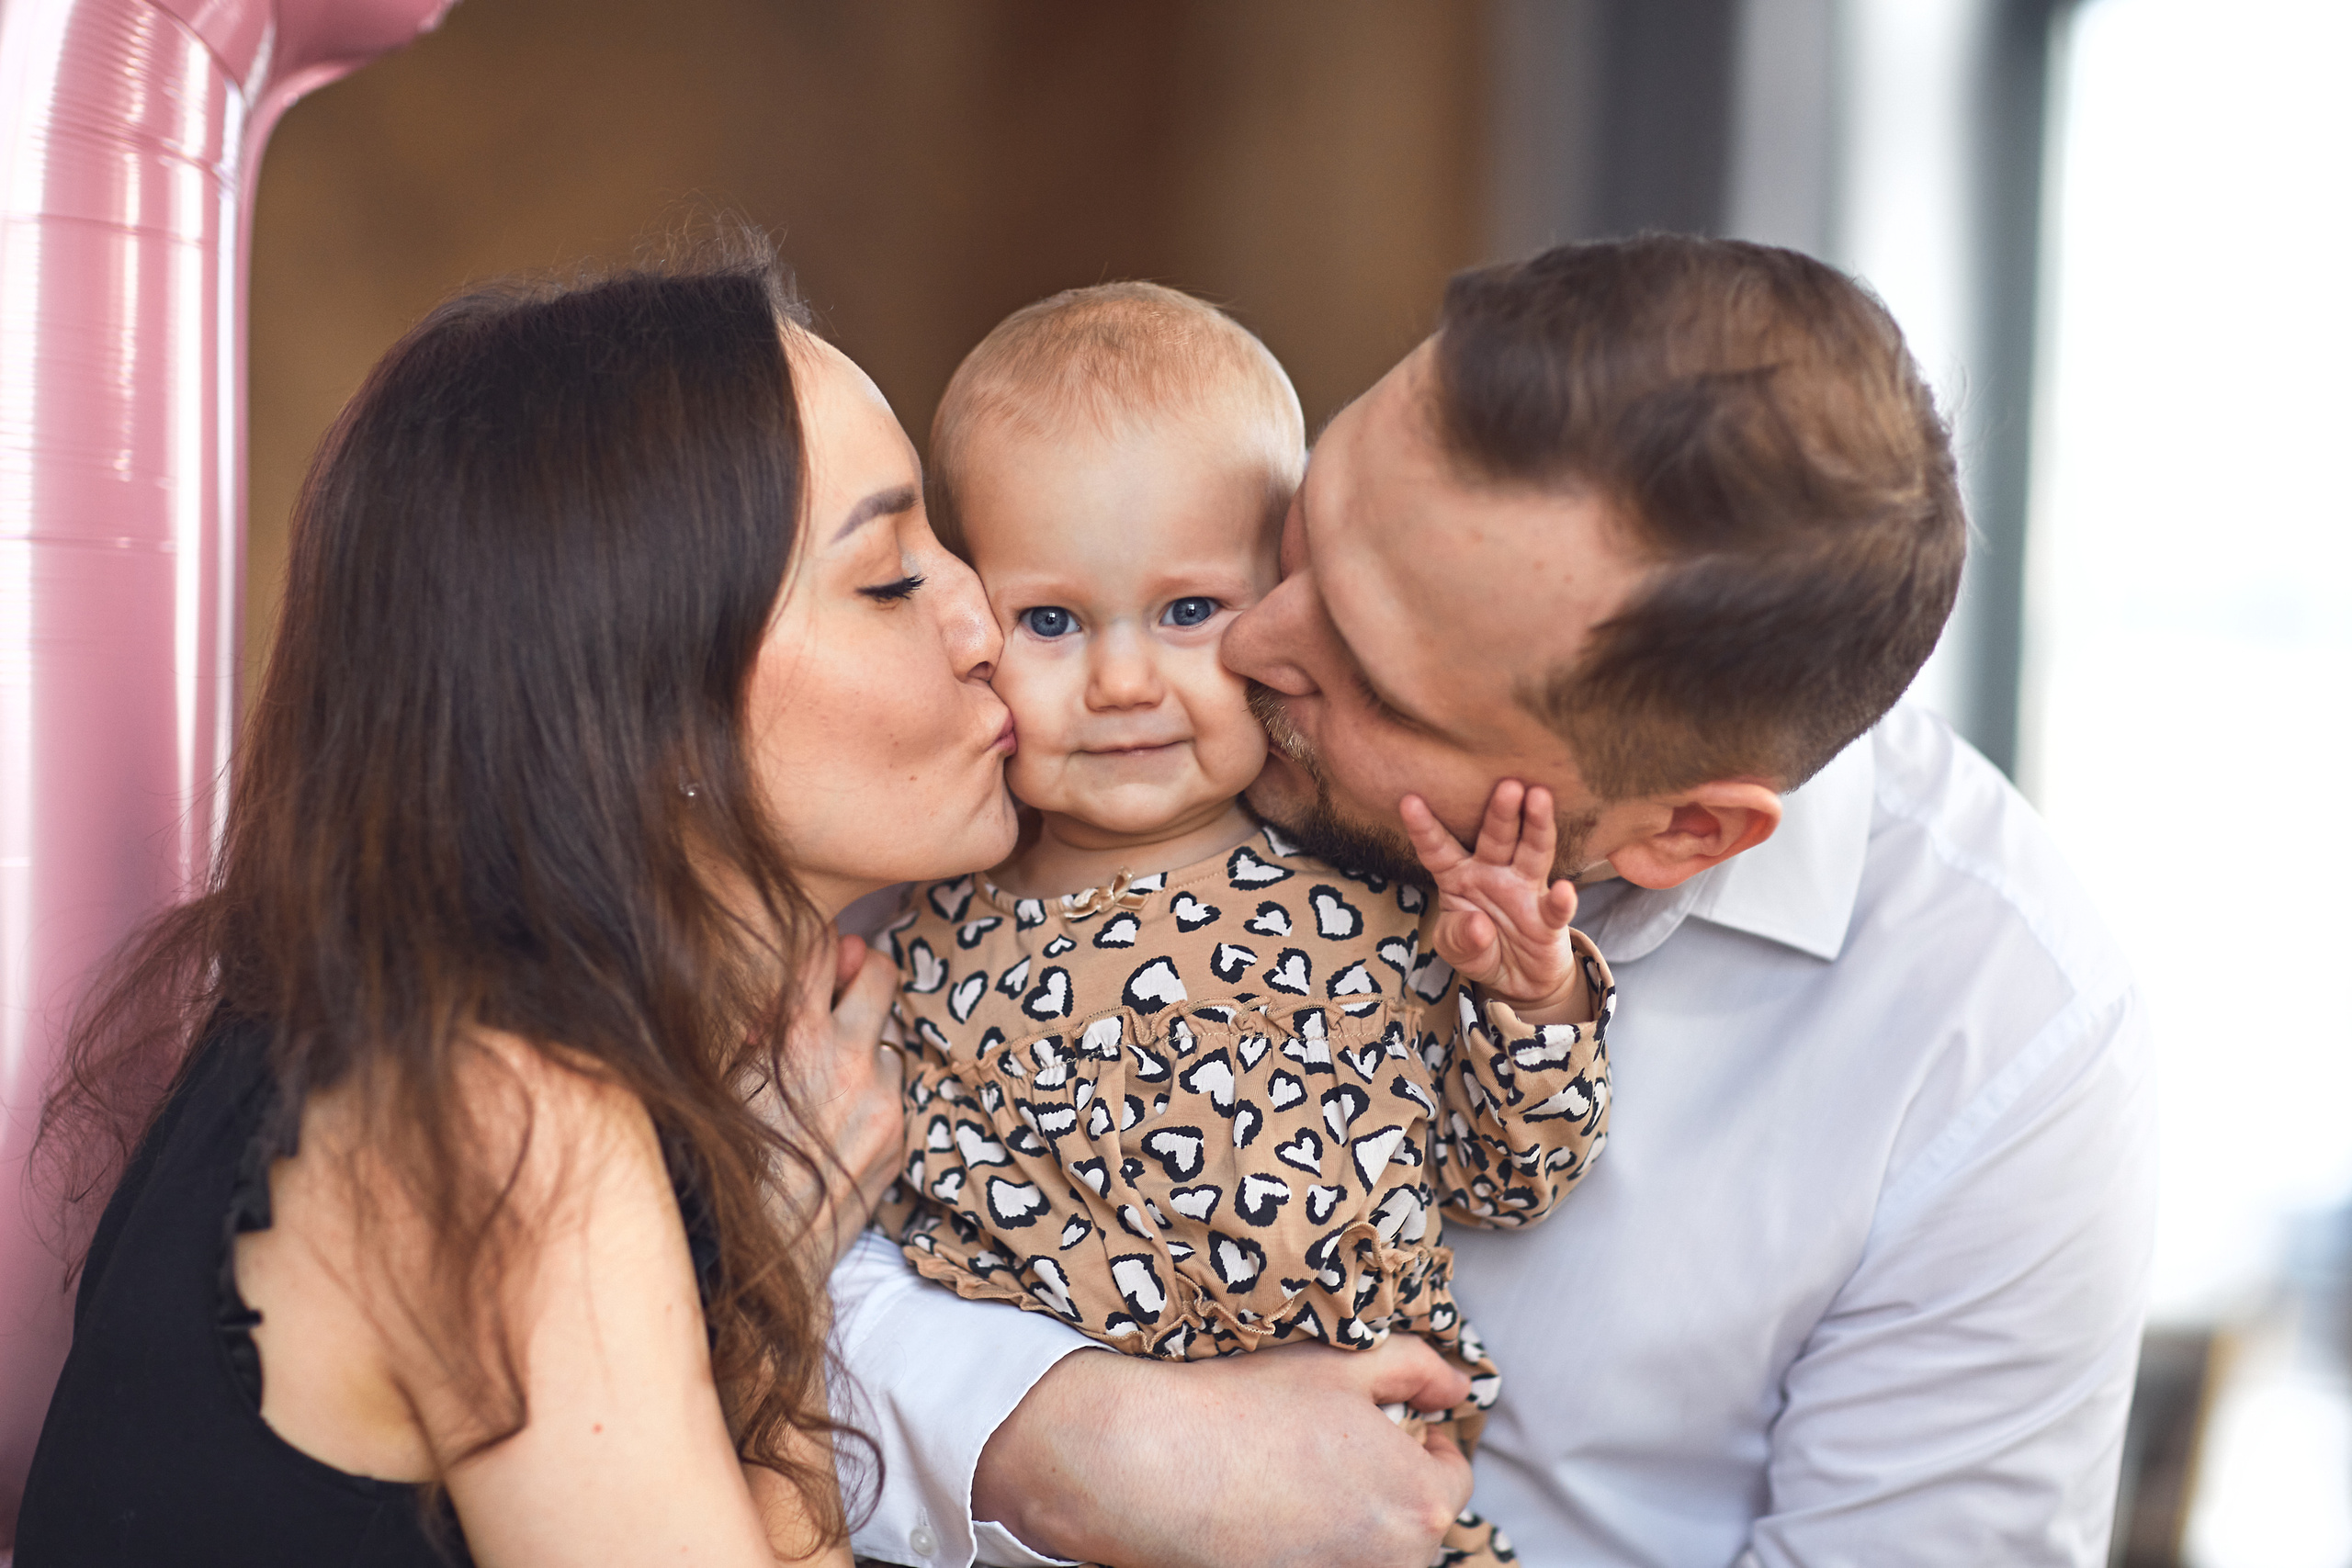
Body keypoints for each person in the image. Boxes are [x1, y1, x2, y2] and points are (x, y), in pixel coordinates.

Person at [831, 235, 2156, 1568]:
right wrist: (1069, 1444)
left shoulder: (2002, 1045)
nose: (1249, 639)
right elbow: (764, 1255)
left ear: (1685, 830)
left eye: (1375, 675)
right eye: (1305, 533)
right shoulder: (985, 781)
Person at [19, 242, 1014, 1565]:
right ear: (647, 717)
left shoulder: (408, 1021)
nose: (986, 619)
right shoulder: (500, 1108)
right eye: (890, 580)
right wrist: (777, 1278)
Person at [869, 282, 1616, 1568]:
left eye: (1187, 612)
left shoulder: (1377, 912)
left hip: (1367, 1525)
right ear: (970, 617)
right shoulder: (909, 949)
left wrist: (1529, 999)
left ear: (1280, 604)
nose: (1121, 681)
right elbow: (843, 1268)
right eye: (1051, 620)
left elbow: (1514, 1176)